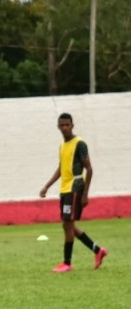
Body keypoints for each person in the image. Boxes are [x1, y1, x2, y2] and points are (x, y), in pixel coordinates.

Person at [39, 112, 108, 273]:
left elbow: (89, 169)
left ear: (72, 126)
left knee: (67, 224)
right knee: (67, 224)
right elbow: (61, 168)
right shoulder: (62, 146)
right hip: (64, 189)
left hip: (75, 188)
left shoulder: (79, 143)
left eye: (67, 125)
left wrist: (85, 194)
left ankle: (67, 263)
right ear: (58, 127)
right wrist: (47, 186)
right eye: (61, 125)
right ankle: (98, 250)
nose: (64, 128)